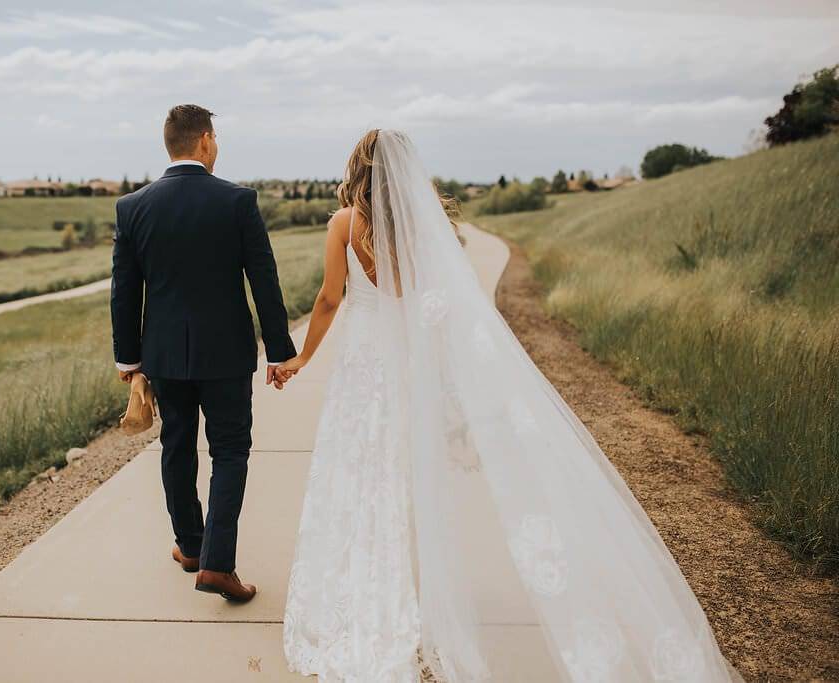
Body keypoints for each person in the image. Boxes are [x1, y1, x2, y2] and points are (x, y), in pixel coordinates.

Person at [276, 129, 738, 682]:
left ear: (358, 170)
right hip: (406, 368)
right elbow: (438, 310)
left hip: (362, 369)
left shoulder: (344, 225)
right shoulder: (426, 231)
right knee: (405, 479)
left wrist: (302, 359)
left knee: (359, 476)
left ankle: (366, 595)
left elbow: (330, 298)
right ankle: (409, 595)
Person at [109, 104, 296, 603]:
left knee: (176, 444)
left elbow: (124, 291)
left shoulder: (133, 207)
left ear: (169, 143)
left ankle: (191, 546)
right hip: (227, 353)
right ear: (206, 141)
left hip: (164, 355)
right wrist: (278, 350)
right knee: (230, 450)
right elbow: (264, 279)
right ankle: (216, 564)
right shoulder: (237, 201)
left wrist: (129, 360)